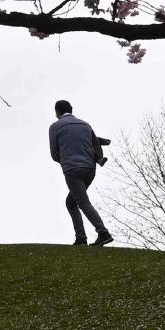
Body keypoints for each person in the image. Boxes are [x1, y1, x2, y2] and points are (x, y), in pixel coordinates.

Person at [48, 99, 114, 246]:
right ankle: (81, 238)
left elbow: (54, 154)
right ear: (71, 110)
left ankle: (103, 233)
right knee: (71, 202)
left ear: (57, 112)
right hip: (90, 169)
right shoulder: (85, 125)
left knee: (82, 202)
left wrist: (65, 161)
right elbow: (95, 144)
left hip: (72, 169)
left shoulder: (55, 127)